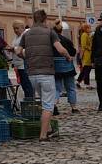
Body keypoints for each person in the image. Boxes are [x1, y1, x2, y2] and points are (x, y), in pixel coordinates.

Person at [16, 9, 71, 143]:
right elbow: (60, 49)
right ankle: (43, 135)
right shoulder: (49, 32)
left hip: (32, 73)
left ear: (33, 20)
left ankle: (49, 129)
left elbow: (18, 51)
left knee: (43, 101)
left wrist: (26, 57)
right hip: (46, 72)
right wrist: (68, 56)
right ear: (45, 19)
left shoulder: (26, 34)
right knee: (48, 104)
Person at [52, 20, 79, 114]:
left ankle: (54, 105)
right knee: (70, 87)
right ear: (61, 30)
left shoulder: (50, 41)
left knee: (56, 88)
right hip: (67, 66)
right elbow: (73, 52)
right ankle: (74, 107)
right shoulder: (66, 40)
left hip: (55, 67)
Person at [9, 21, 33, 99]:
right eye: (14, 28)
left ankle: (30, 101)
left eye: (17, 28)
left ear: (22, 28)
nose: (15, 30)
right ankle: (28, 100)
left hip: (24, 64)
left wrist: (14, 49)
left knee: (27, 84)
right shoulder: (16, 37)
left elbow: (27, 49)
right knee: (23, 84)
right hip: (18, 64)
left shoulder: (26, 35)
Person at [76, 23, 93, 89]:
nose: (90, 29)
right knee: (87, 69)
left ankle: (78, 81)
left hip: (88, 54)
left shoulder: (87, 35)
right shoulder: (84, 35)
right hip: (86, 55)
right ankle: (86, 84)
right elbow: (84, 46)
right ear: (86, 29)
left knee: (85, 70)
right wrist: (81, 56)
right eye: (89, 28)